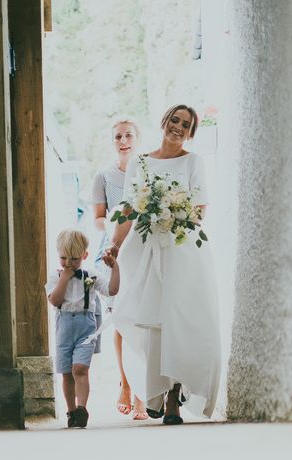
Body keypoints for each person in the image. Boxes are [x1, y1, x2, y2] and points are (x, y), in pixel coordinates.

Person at [109, 105, 220, 425]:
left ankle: (174, 397)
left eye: (186, 125)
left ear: (191, 133)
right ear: (164, 122)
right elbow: (129, 209)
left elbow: (199, 211)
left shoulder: (193, 162)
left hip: (184, 250)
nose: (178, 127)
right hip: (147, 250)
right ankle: (155, 390)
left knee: (179, 320)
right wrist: (114, 246)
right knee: (152, 321)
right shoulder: (140, 163)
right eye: (175, 120)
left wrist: (173, 213)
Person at [91, 119, 149, 421]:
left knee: (143, 319)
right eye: (117, 136)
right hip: (115, 252)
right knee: (120, 317)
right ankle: (125, 384)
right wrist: (115, 223)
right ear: (112, 141)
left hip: (142, 250)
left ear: (137, 138)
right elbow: (98, 218)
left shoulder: (148, 169)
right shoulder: (103, 175)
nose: (123, 140)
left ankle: (142, 394)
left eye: (128, 135)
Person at [45, 229, 119, 428]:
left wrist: (114, 268)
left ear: (85, 256)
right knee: (67, 373)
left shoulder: (91, 275)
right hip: (64, 326)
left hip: (86, 326)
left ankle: (82, 408)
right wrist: (64, 279)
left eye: (74, 259)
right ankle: (71, 412)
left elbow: (112, 290)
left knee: (80, 368)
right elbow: (55, 300)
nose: (68, 263)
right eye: (63, 257)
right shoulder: (56, 275)